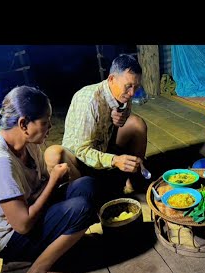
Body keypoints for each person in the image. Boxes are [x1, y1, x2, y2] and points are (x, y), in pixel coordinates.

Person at [0, 86, 98, 273]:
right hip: (9, 237)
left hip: (29, 208)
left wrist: (55, 179)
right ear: (23, 124)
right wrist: (54, 181)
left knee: (86, 186)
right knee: (81, 208)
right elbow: (23, 225)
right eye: (45, 123)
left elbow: (39, 187)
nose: (49, 128)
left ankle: (60, 243)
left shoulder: (29, 143)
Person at [44, 54, 148, 196]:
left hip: (104, 147)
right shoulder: (89, 100)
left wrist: (119, 120)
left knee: (137, 124)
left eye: (136, 87)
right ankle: (85, 194)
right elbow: (82, 150)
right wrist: (114, 160)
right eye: (128, 86)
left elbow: (120, 121)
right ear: (111, 79)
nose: (132, 93)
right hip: (80, 160)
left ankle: (134, 180)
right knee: (53, 154)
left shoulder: (124, 93)